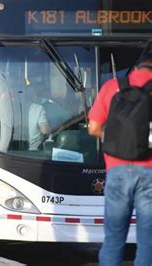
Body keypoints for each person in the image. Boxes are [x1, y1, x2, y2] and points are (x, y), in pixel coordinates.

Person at [88, 53, 152, 266]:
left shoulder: (112, 86)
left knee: (114, 238)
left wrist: (116, 139)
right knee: (148, 241)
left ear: (136, 66)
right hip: (150, 172)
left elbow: (93, 128)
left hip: (117, 169)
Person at [27, 86, 51, 151]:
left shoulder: (12, 108)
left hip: (11, 154)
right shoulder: (38, 108)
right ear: (33, 96)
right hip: (34, 153)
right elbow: (45, 130)